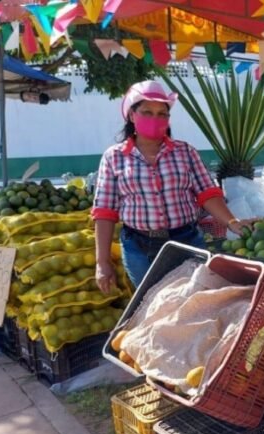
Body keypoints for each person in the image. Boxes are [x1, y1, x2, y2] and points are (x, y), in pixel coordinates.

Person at [92, 80, 247, 292]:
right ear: (131, 115)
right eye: (147, 112)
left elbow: (207, 193)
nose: (155, 119)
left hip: (186, 241)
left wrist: (231, 222)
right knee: (153, 305)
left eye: (162, 113)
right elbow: (104, 212)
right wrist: (102, 262)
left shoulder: (185, 152)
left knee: (194, 300)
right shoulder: (114, 157)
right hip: (139, 247)